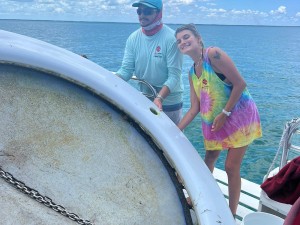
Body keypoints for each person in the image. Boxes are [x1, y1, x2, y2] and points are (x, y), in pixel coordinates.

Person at [175, 23, 262, 216]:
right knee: (209, 159)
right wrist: (175, 129)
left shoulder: (213, 54)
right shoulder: (191, 73)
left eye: (186, 37)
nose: (183, 42)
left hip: (239, 117)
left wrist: (225, 113)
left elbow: (240, 84)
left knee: (231, 167)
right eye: (179, 41)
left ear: (198, 39)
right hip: (216, 121)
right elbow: (195, 108)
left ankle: (230, 213)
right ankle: (198, 196)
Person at [116, 0, 184, 125]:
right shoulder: (133, 38)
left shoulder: (172, 38)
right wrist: (107, 79)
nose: (142, 15)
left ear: (159, 13)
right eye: (139, 11)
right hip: (145, 98)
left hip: (169, 103)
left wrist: (159, 98)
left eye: (147, 11)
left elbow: (174, 76)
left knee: (168, 141)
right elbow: (126, 71)